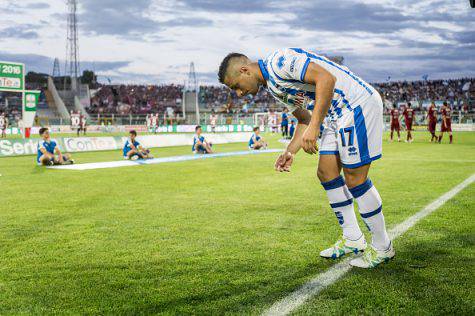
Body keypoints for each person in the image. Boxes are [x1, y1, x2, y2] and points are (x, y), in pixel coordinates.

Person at [218, 48, 394, 268]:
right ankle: (352, 238)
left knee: (355, 179)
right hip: (335, 114)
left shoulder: (280, 62)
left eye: (236, 86)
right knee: (326, 173)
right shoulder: (275, 88)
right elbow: (304, 120)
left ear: (244, 70)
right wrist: (290, 151)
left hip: (356, 105)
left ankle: (382, 246)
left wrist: (315, 126)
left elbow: (326, 79)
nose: (239, 94)